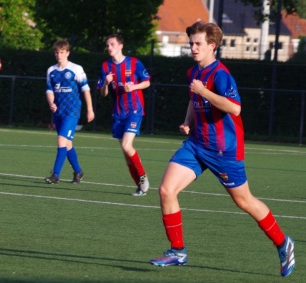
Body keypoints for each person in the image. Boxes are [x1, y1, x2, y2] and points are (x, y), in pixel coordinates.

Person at [150, 21, 295, 277]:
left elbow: (234, 108)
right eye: (191, 43)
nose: (193, 48)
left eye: (198, 44)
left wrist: (204, 91)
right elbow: (194, 99)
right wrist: (187, 121)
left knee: (244, 201)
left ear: (212, 46)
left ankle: (283, 243)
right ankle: (178, 251)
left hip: (223, 151)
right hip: (196, 145)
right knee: (166, 190)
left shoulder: (220, 75)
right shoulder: (193, 73)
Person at [96, 34, 151, 196]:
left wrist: (133, 87)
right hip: (118, 112)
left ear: (120, 46)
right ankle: (139, 187)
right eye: (107, 45)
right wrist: (106, 82)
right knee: (125, 152)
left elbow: (147, 82)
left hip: (135, 110)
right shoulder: (106, 67)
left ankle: (143, 177)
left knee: (127, 145)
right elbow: (103, 94)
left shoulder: (134, 63)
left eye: (112, 44)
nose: (109, 47)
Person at [44, 39, 95, 184]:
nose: (59, 55)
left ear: (67, 53)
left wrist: (90, 110)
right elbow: (49, 90)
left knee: (61, 140)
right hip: (58, 112)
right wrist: (51, 103)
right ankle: (78, 172)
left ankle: (55, 175)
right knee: (67, 144)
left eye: (61, 52)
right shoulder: (51, 70)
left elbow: (86, 90)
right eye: (56, 52)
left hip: (72, 112)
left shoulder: (76, 69)